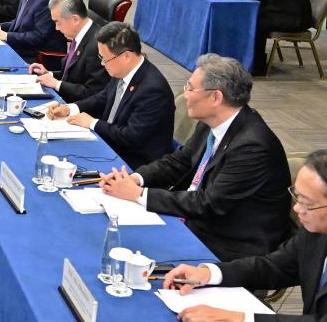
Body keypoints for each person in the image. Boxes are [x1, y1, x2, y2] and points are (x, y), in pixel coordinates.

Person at [99, 54, 292, 260]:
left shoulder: (252, 147)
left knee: (126, 248)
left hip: (230, 244)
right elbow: (179, 161)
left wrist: (139, 195)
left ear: (216, 97)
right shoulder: (211, 122)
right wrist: (135, 179)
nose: (185, 95)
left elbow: (209, 204)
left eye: (190, 88)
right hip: (198, 220)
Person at [162, 148, 327, 322]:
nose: (297, 208)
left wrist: (241, 318)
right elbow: (276, 266)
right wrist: (209, 273)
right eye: (297, 197)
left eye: (307, 203)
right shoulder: (315, 232)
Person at [46, 22, 174, 169]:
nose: (102, 63)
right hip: (110, 143)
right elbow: (103, 97)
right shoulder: (122, 70)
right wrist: (70, 109)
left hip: (132, 161)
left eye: (105, 59)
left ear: (126, 56)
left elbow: (131, 136)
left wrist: (92, 123)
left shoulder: (153, 90)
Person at [28, 0, 107, 103]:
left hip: (76, 106)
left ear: (75, 19)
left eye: (58, 22)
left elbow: (92, 93)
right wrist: (48, 74)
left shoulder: (98, 47)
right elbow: (71, 75)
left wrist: (56, 84)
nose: (56, 28)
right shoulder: (78, 35)